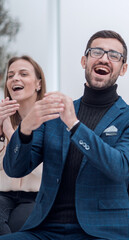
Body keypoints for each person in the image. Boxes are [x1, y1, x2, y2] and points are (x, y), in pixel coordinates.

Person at [1, 30, 129, 240]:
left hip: (102, 233)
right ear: (84, 61)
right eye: (97, 52)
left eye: (114, 55)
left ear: (123, 68)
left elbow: (120, 168)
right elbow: (15, 168)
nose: (104, 59)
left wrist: (74, 125)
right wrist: (25, 130)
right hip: (45, 229)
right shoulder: (53, 115)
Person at [0, 56, 45, 235]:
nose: (15, 79)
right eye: (10, 76)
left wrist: (12, 135)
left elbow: (41, 169)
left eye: (23, 74)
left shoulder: (52, 121)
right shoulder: (2, 119)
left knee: (20, 229)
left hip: (36, 197)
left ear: (38, 84)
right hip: (3, 195)